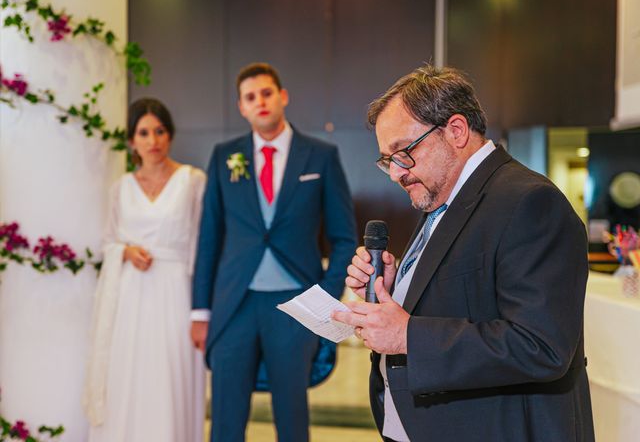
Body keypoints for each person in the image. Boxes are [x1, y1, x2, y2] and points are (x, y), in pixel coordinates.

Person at [333, 64, 595, 441]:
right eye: (387, 161)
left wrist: (408, 335)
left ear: (455, 131)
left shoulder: (530, 202)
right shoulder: (445, 197)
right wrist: (396, 287)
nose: (395, 173)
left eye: (402, 153)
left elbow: (542, 346)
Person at [191, 62, 357, 442]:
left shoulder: (320, 156)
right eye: (251, 97)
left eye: (266, 93)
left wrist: (325, 297)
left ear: (282, 97)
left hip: (295, 305)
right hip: (235, 305)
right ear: (242, 107)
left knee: (292, 418)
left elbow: (344, 237)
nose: (260, 101)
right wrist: (200, 311)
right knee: (225, 422)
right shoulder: (224, 156)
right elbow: (209, 239)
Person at [83, 98, 206, 442]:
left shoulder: (192, 180)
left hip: (176, 295)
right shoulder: (120, 188)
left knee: (170, 378)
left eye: (160, 131)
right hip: (130, 299)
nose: (153, 140)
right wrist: (124, 251)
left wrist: (202, 308)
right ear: (132, 140)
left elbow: (204, 241)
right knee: (127, 377)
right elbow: (108, 241)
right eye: (143, 132)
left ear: (170, 135)